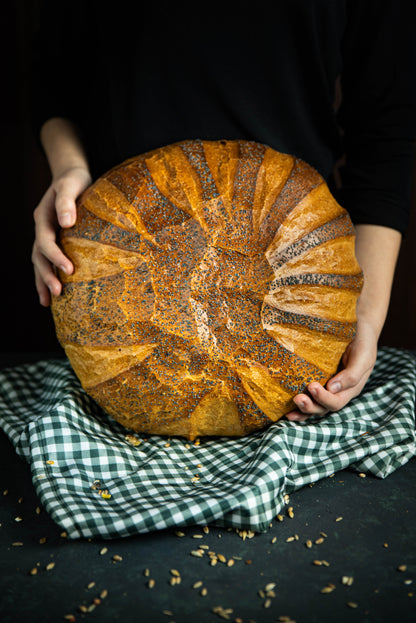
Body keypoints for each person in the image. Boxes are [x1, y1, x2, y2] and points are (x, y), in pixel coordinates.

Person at [30, 1, 416, 422]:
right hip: (110, 277)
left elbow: (387, 124)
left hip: (304, 280)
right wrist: (70, 172)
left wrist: (365, 316)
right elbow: (52, 74)